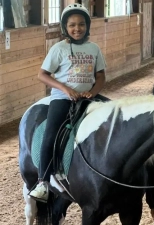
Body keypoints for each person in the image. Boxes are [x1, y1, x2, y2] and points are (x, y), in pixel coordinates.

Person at [30, 3, 106, 202]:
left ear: (87, 26)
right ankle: (43, 182)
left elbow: (100, 77)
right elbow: (42, 75)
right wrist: (66, 90)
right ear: (65, 27)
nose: (77, 28)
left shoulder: (94, 48)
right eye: (72, 25)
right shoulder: (59, 49)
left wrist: (93, 92)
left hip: (88, 97)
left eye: (81, 24)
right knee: (51, 134)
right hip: (63, 98)